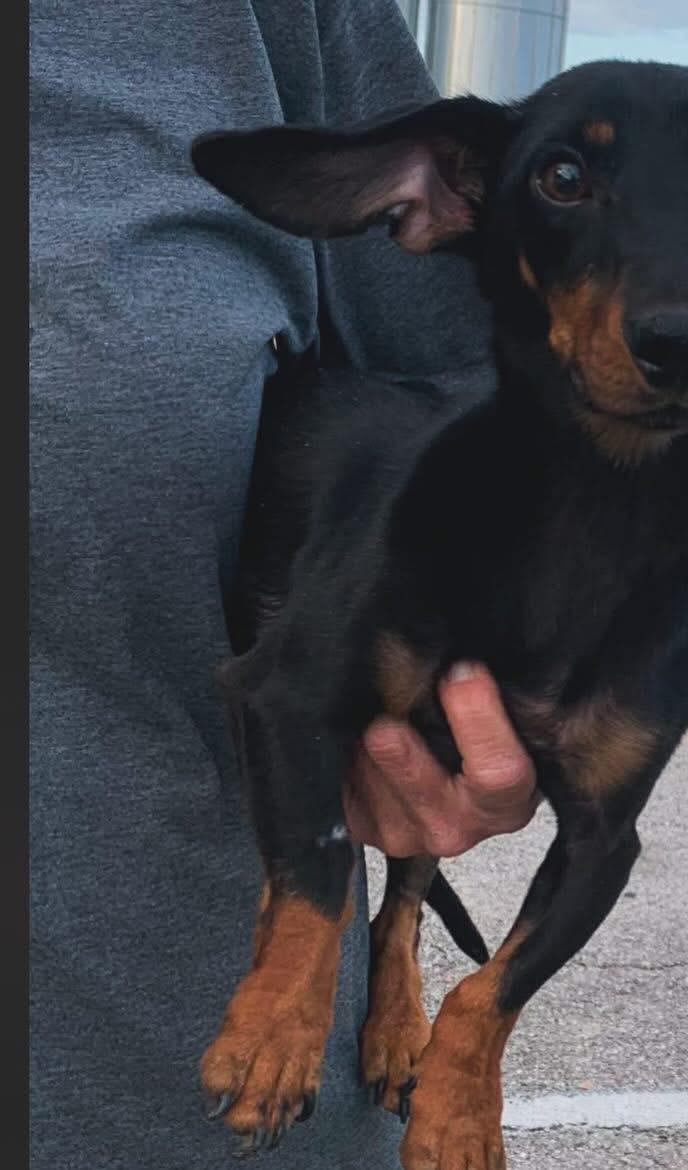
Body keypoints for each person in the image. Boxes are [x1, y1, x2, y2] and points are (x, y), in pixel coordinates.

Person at [29, 2, 538, 1166]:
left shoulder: (268, 24)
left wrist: (477, 686)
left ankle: (400, 950)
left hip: (182, 1079)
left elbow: (473, 385)